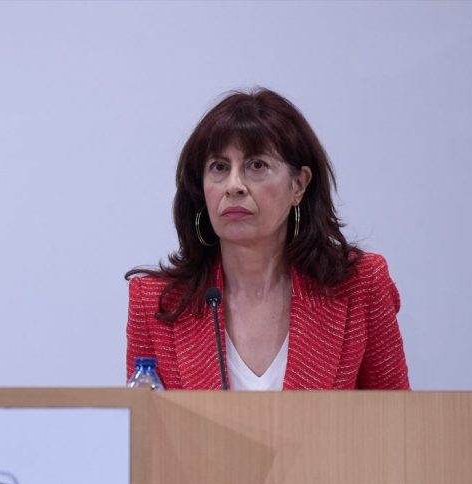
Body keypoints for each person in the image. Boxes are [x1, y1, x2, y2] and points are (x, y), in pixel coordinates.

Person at [126, 88, 408, 390]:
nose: (234, 186)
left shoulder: (360, 285)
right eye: (219, 168)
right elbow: (141, 431)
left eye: (256, 165)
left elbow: (397, 424)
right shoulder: (156, 303)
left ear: (298, 185)